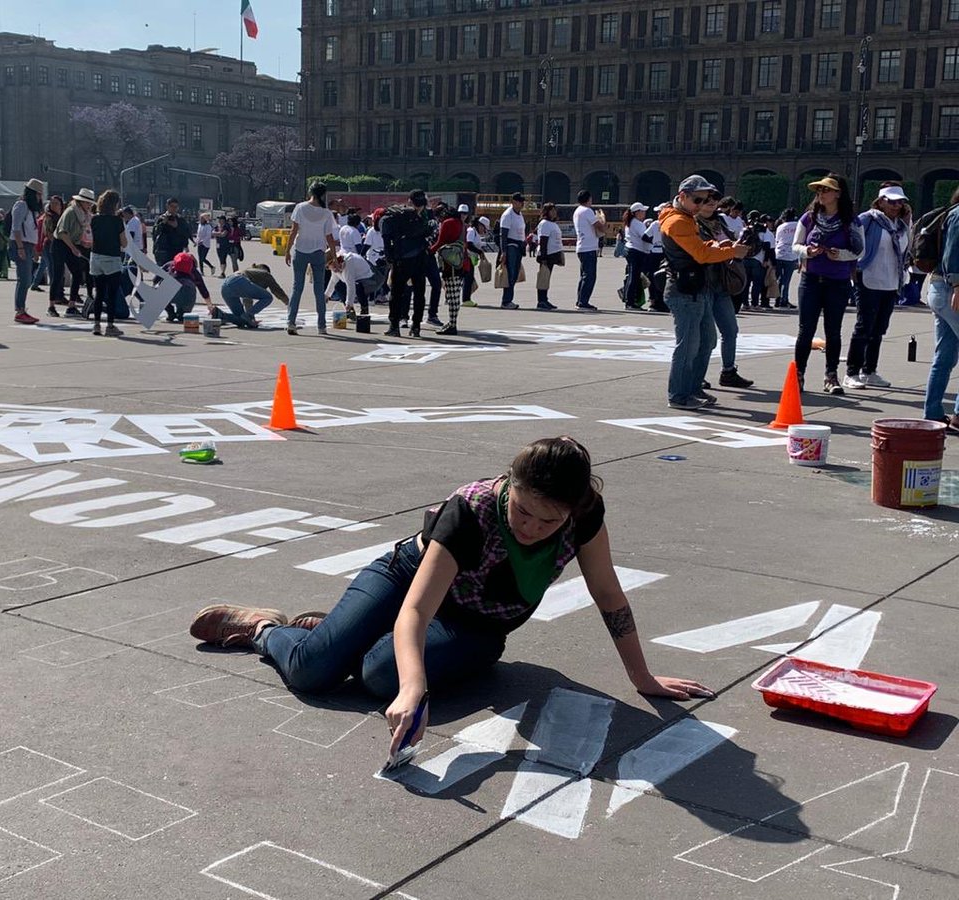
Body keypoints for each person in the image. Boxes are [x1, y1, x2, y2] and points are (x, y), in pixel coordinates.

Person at [188, 436, 714, 753]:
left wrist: (642, 678)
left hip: (475, 625)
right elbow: (415, 608)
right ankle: (265, 628)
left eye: (547, 520)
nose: (530, 527)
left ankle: (346, 634)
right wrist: (415, 691)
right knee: (311, 671)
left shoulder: (585, 517)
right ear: (510, 484)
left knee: (377, 675)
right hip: (407, 579)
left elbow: (608, 596)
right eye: (522, 511)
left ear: (572, 512)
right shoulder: (472, 510)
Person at [659, 174, 750, 410]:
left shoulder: (685, 218)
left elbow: (699, 249)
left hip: (695, 289)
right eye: (698, 200)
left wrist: (721, 247)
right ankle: (679, 394)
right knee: (688, 345)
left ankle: (692, 387)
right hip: (684, 290)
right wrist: (730, 252)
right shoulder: (678, 221)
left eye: (706, 199)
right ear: (683, 197)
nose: (702, 204)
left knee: (706, 341)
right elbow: (699, 255)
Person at [793, 173, 864, 395]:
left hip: (838, 281)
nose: (821, 194)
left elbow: (860, 251)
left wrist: (840, 255)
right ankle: (799, 374)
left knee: (833, 331)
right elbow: (794, 245)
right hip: (811, 279)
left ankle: (831, 375)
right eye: (819, 190)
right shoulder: (809, 217)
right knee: (806, 330)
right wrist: (807, 251)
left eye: (826, 190)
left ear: (838, 194)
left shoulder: (851, 221)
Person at [843, 185, 912, 390]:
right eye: (891, 201)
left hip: (891, 282)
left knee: (879, 329)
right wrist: (853, 266)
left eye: (900, 202)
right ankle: (851, 372)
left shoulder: (900, 225)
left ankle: (869, 370)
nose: (896, 205)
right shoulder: (868, 219)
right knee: (864, 327)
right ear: (880, 201)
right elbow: (851, 239)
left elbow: (906, 249)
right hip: (869, 279)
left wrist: (908, 221)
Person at [696, 192, 755, 390]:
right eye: (706, 200)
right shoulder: (693, 225)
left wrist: (746, 242)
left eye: (714, 200)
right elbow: (702, 252)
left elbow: (734, 247)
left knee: (730, 330)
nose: (711, 203)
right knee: (705, 335)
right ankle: (697, 374)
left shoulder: (720, 224)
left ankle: (728, 371)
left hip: (722, 284)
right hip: (704, 284)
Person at [923, 188, 959, 432]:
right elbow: (952, 254)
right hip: (950, 289)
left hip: (942, 288)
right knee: (944, 357)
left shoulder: (953, 213)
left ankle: (933, 413)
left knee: (944, 356)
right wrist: (957, 284)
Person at [285, 182, 338, 336]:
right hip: (318, 252)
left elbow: (293, 231)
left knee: (297, 288)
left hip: (301, 250)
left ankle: (291, 322)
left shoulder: (300, 208)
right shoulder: (326, 213)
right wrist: (334, 257)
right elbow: (329, 238)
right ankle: (321, 325)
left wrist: (288, 251)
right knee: (319, 290)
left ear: (310, 192)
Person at [380, 189, 430, 338]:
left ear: (409, 200)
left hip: (402, 259)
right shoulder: (426, 216)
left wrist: (389, 256)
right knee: (419, 293)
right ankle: (416, 327)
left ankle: (394, 326)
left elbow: (386, 235)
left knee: (396, 293)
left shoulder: (398, 214)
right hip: (420, 257)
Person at [85, 189, 128, 337]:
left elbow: (90, 238)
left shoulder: (94, 219)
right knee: (112, 294)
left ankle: (96, 325)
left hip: (96, 257)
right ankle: (110, 325)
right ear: (115, 204)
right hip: (112, 258)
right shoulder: (117, 221)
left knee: (99, 293)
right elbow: (124, 243)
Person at [50, 189, 95, 319]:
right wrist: (73, 248)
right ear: (80, 202)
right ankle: (51, 306)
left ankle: (71, 305)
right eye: (88, 203)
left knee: (77, 273)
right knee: (58, 275)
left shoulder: (85, 215)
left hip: (73, 244)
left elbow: (82, 232)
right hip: (60, 244)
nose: (89, 206)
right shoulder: (70, 212)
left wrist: (84, 243)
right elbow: (62, 233)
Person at [9, 178, 45, 325]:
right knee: (24, 279)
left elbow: (32, 231)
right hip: (21, 244)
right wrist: (20, 247)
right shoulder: (21, 205)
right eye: (38, 194)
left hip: (29, 245)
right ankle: (20, 310)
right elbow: (15, 228)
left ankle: (21, 309)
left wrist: (35, 249)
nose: (40, 198)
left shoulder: (31, 210)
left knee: (27, 279)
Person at [429, 203, 467, 334]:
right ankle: (452, 322)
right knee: (456, 294)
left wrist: (429, 251)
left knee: (451, 296)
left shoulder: (447, 223)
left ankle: (452, 325)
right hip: (462, 261)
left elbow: (441, 242)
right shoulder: (461, 223)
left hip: (450, 264)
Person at [219, 263, 286, 328]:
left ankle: (220, 315)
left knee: (241, 320)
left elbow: (247, 300)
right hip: (238, 280)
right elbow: (277, 291)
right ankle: (247, 316)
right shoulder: (265, 273)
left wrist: (250, 320)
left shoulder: (249, 274)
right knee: (268, 297)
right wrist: (289, 304)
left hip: (225, 286)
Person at [572, 190, 602, 310]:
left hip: (582, 246)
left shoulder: (577, 211)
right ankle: (583, 302)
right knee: (590, 276)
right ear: (588, 199)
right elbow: (598, 225)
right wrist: (602, 221)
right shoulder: (587, 211)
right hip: (589, 247)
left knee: (584, 276)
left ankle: (580, 300)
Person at [162, 251, 211, 322]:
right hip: (187, 295)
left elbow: (156, 279)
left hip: (170, 291)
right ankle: (181, 313)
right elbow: (203, 289)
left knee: (160, 288)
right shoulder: (194, 271)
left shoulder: (169, 264)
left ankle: (170, 312)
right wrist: (209, 305)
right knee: (183, 311)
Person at [497, 192, 526, 309]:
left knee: (514, 275)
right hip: (511, 246)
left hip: (518, 246)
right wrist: (504, 251)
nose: (522, 204)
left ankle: (509, 299)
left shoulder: (519, 214)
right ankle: (506, 301)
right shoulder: (508, 215)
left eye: (522, 202)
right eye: (519, 201)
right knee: (511, 273)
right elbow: (503, 235)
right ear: (513, 202)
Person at [620, 202, 650, 310]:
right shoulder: (637, 223)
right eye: (642, 211)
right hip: (636, 251)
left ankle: (630, 300)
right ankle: (630, 302)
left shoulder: (631, 222)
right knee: (634, 277)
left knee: (633, 276)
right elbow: (645, 237)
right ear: (637, 212)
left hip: (631, 250)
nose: (644, 213)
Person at [534, 202, 563, 311]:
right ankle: (541, 301)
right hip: (546, 255)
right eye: (552, 210)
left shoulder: (552, 223)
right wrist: (544, 257)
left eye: (555, 210)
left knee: (546, 278)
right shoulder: (545, 223)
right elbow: (543, 241)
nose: (554, 212)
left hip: (552, 255)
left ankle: (545, 299)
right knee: (543, 278)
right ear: (547, 212)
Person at [33, 195, 62, 296]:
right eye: (52, 203)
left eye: (57, 203)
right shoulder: (47, 217)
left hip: (54, 245)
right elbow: (46, 233)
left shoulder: (60, 216)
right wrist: (37, 249)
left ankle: (35, 284)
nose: (54, 205)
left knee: (44, 266)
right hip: (49, 245)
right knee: (51, 269)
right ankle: (55, 292)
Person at [152, 197, 191, 267]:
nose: (174, 209)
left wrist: (185, 245)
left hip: (177, 250)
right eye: (172, 206)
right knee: (162, 272)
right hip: (163, 250)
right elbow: (155, 233)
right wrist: (163, 223)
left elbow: (185, 233)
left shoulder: (180, 220)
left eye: (176, 207)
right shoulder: (161, 218)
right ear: (167, 206)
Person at [773, 208, 799, 309]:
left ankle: (777, 299)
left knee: (779, 278)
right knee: (786, 280)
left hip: (779, 254)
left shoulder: (780, 227)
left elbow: (777, 240)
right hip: (791, 255)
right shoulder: (797, 225)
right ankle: (784, 300)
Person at [463, 215, 489, 308]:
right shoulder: (471, 231)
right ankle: (465, 299)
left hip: (471, 258)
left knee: (469, 279)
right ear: (479, 225)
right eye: (484, 228)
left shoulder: (476, 233)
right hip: (467, 258)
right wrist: (479, 252)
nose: (484, 231)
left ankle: (466, 298)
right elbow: (469, 245)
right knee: (468, 279)